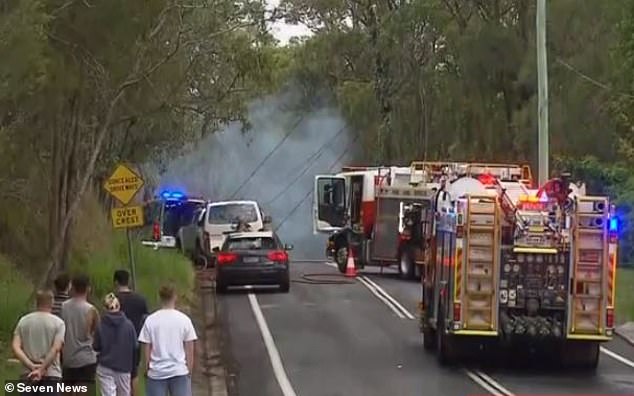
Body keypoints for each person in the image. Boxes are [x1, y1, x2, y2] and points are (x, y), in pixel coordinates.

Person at [139, 284, 197, 396]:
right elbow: (190, 347)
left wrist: (146, 369)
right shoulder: (184, 320)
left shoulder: (151, 320)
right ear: (175, 297)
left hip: (157, 373)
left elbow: (146, 347)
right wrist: (189, 369)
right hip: (179, 371)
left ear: (160, 297)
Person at [12, 290, 65, 395]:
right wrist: (41, 369)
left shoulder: (23, 321)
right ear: (52, 302)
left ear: (37, 302)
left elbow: (15, 347)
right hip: (51, 373)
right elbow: (56, 348)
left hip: (27, 373)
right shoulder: (58, 323)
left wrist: (31, 366)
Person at [94, 293, 137, 396]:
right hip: (124, 366)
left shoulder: (101, 325)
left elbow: (96, 346)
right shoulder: (128, 325)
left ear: (105, 308)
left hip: (105, 366)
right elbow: (134, 347)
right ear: (119, 307)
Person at [113, 269, 149, 396]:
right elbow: (146, 319)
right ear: (128, 281)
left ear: (116, 282)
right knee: (134, 375)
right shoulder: (140, 299)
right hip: (135, 342)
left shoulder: (112, 300)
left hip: (115, 343)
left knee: (116, 376)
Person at [61, 274, 99, 389]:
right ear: (88, 288)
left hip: (68, 358)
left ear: (72, 287)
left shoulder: (64, 306)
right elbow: (96, 333)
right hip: (86, 358)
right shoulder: (91, 310)